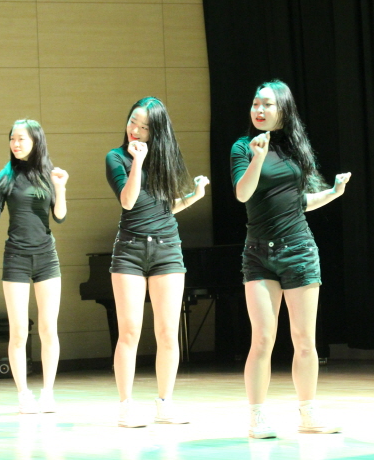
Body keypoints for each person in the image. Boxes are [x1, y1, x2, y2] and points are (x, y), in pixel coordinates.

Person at [230, 80, 351, 439]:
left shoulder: (296, 148)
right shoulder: (243, 147)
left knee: (304, 339)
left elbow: (300, 203)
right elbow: (242, 193)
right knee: (262, 339)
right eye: (256, 103)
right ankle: (256, 417)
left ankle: (308, 414)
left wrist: (333, 193)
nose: (259, 110)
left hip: (299, 249)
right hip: (258, 254)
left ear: (283, 109)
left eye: (267, 104)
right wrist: (258, 157)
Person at [105, 97, 209, 427]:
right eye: (132, 122)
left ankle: (165, 404)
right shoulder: (116, 157)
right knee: (129, 331)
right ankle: (125, 406)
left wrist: (193, 197)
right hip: (130, 251)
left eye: (144, 127)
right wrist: (137, 161)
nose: (135, 130)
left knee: (167, 332)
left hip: (167, 250)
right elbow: (129, 200)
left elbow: (164, 210)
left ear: (156, 131)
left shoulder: (166, 159)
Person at [0, 119, 68, 414]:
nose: (15, 143)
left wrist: (61, 188)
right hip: (16, 257)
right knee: (18, 331)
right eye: (12, 138)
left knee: (48, 329)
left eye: (21, 139)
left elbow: (60, 216)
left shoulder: (49, 174)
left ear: (36, 141)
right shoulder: (5, 177)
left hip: (46, 257)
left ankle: (48, 393)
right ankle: (24, 394)